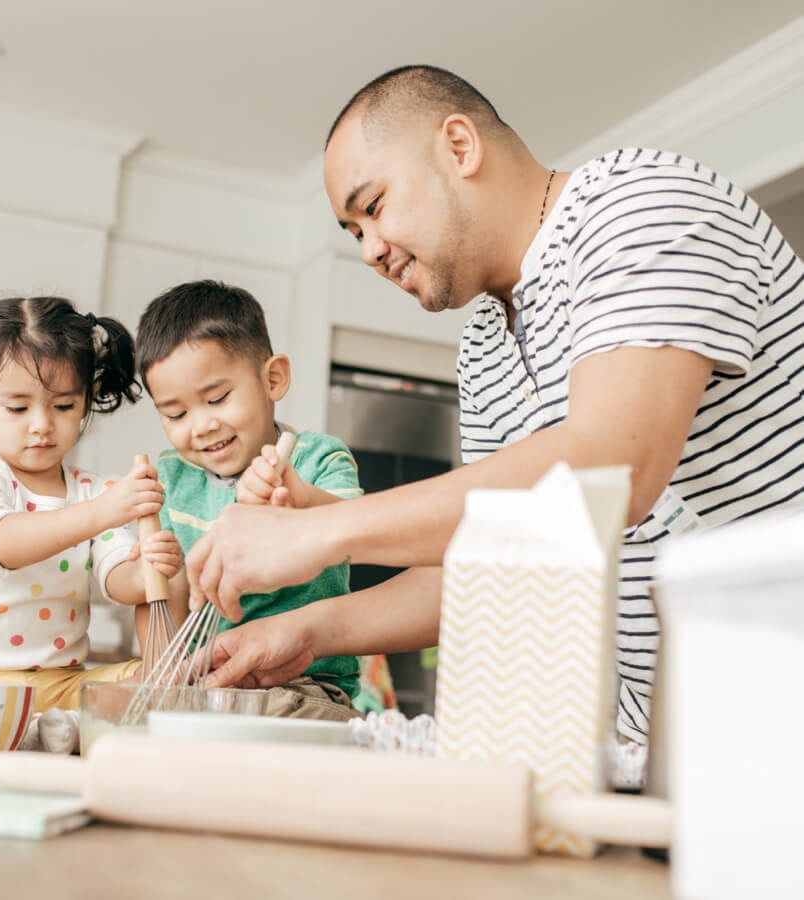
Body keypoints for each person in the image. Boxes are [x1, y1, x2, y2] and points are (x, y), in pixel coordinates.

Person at [185, 64, 804, 747]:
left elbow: (612, 466)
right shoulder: (483, 342)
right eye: (352, 230)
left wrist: (322, 533)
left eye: (375, 206)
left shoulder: (641, 202)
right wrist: (308, 629)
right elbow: (498, 553)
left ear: (459, 146)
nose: (368, 251)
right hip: (677, 732)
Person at [0, 296, 184, 731]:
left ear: (87, 403)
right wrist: (104, 512)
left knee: (151, 684)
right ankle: (49, 731)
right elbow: (4, 545)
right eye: (18, 408)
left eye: (63, 406)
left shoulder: (95, 491)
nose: (41, 425)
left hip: (58, 682)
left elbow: (119, 582)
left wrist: (150, 566)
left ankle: (37, 730)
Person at [134, 279, 363, 720]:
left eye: (217, 399)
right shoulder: (171, 478)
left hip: (302, 686)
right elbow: (159, 601)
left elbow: (357, 527)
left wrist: (298, 502)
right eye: (176, 414)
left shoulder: (317, 458)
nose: (201, 426)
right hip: (204, 687)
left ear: (273, 379)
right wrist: (162, 688)